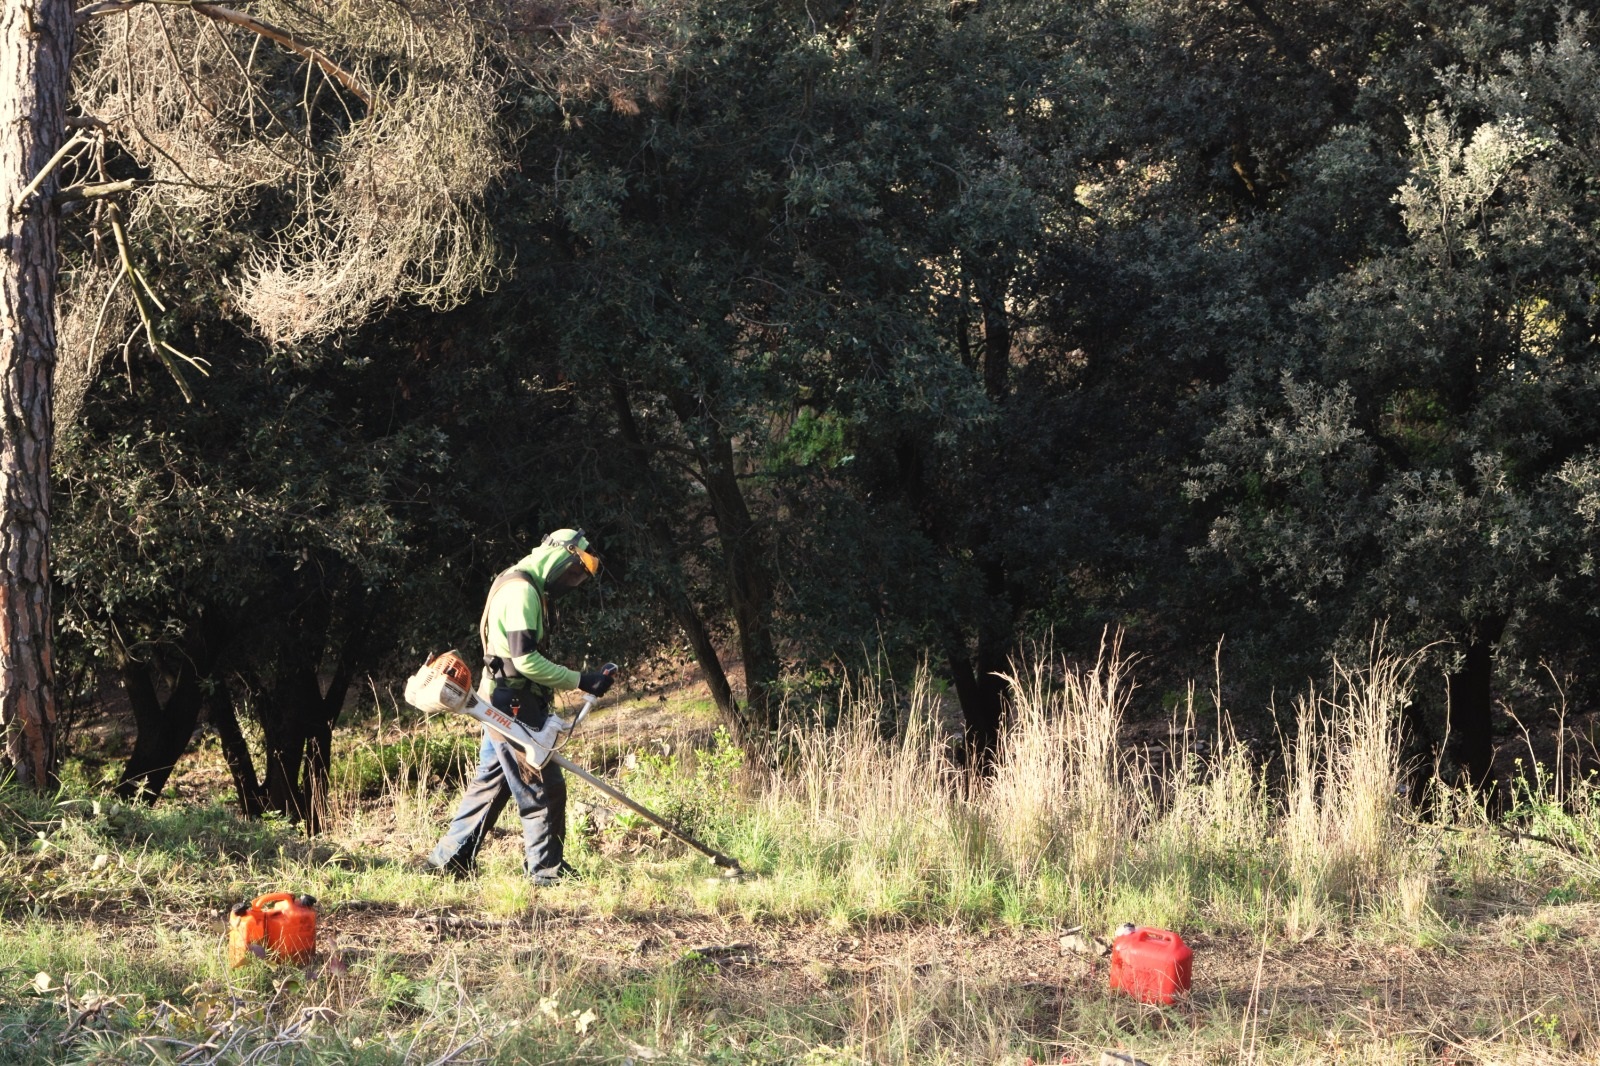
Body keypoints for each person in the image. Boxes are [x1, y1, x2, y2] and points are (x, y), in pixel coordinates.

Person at [426, 528, 614, 884]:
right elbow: (524, 660)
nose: (574, 581)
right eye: (575, 571)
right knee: (542, 784)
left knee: (491, 786)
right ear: (559, 555)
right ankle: (546, 873)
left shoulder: (522, 584)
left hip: (502, 700)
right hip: (512, 704)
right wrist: (582, 680)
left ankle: (447, 863)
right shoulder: (521, 591)